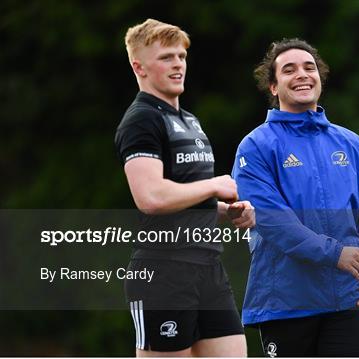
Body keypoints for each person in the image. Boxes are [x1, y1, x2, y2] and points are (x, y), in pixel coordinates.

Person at [232, 38, 359, 357]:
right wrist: (335, 253)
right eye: (289, 70)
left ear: (320, 79)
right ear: (273, 87)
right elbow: (272, 220)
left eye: (310, 68)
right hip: (287, 303)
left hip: (352, 298)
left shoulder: (353, 145)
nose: (302, 75)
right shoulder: (255, 147)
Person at [114, 19, 254, 357]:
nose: (178, 64)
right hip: (163, 271)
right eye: (166, 57)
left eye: (181, 56)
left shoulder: (189, 120)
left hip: (208, 267)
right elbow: (151, 198)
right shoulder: (141, 119)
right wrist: (214, 186)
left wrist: (226, 211)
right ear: (139, 67)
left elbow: (185, 197)